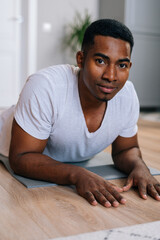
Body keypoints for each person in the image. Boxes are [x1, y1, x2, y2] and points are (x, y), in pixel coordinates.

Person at [8, 19, 160, 208]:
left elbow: (125, 150)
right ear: (80, 59)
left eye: (121, 65)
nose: (111, 76)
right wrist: (77, 174)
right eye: (100, 61)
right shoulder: (46, 86)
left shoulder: (127, 94)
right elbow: (21, 157)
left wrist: (139, 166)